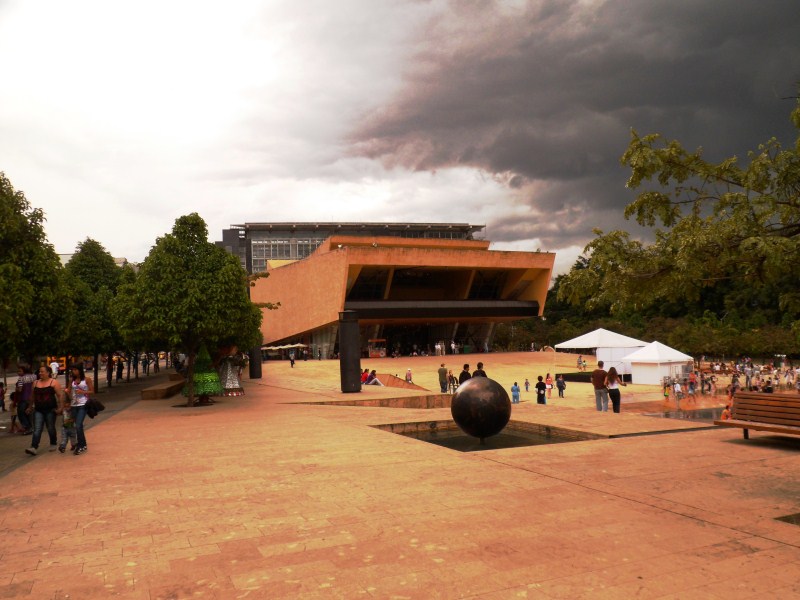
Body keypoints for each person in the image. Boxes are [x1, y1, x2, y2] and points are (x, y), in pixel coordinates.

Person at [25, 365, 64, 455]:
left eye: (42, 371)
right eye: (39, 372)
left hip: (51, 409)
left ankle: (53, 442)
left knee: (50, 427)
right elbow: (32, 396)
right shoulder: (35, 383)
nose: (40, 373)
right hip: (38, 409)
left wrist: (60, 408)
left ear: (48, 373)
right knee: (37, 428)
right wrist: (30, 407)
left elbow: (60, 395)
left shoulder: (54, 382)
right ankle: (34, 447)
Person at [66, 363, 93, 455]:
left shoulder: (87, 380)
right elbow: (69, 391)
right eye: (72, 370)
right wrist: (67, 392)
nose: (73, 372)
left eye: (75, 370)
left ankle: (80, 446)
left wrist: (83, 391)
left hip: (83, 404)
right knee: (77, 426)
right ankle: (83, 444)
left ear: (80, 370)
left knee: (78, 425)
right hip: (74, 405)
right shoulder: (71, 380)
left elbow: (92, 391)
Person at [15, 365, 36, 434]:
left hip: (23, 398)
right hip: (32, 398)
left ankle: (27, 427)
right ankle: (32, 427)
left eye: (19, 371)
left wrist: (17, 389)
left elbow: (20, 390)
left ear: (24, 371)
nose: (18, 372)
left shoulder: (21, 379)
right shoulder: (34, 376)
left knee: (21, 413)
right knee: (29, 413)